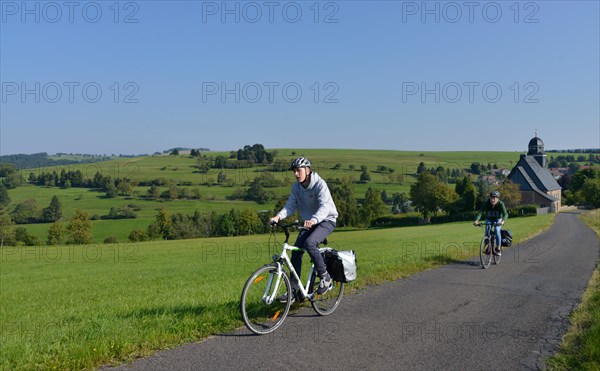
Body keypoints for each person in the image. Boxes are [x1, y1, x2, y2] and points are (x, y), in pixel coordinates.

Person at [269, 157, 339, 301]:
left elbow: (325, 207)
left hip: (326, 220)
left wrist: (314, 219)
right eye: (294, 171)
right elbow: (290, 206)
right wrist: (278, 217)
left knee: (310, 243)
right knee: (296, 252)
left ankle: (325, 277)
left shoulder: (320, 184)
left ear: (308, 170)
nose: (296, 174)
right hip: (309, 223)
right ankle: (294, 291)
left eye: (298, 170)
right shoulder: (296, 187)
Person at [473, 190, 508, 255]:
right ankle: (488, 246)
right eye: (491, 198)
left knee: (497, 230)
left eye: (494, 198)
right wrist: (476, 220)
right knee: (487, 231)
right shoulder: (486, 203)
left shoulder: (501, 204)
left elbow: (505, 214)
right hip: (489, 219)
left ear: (497, 199)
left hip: (498, 219)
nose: (492, 200)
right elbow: (480, 212)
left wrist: (503, 221)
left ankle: (498, 248)